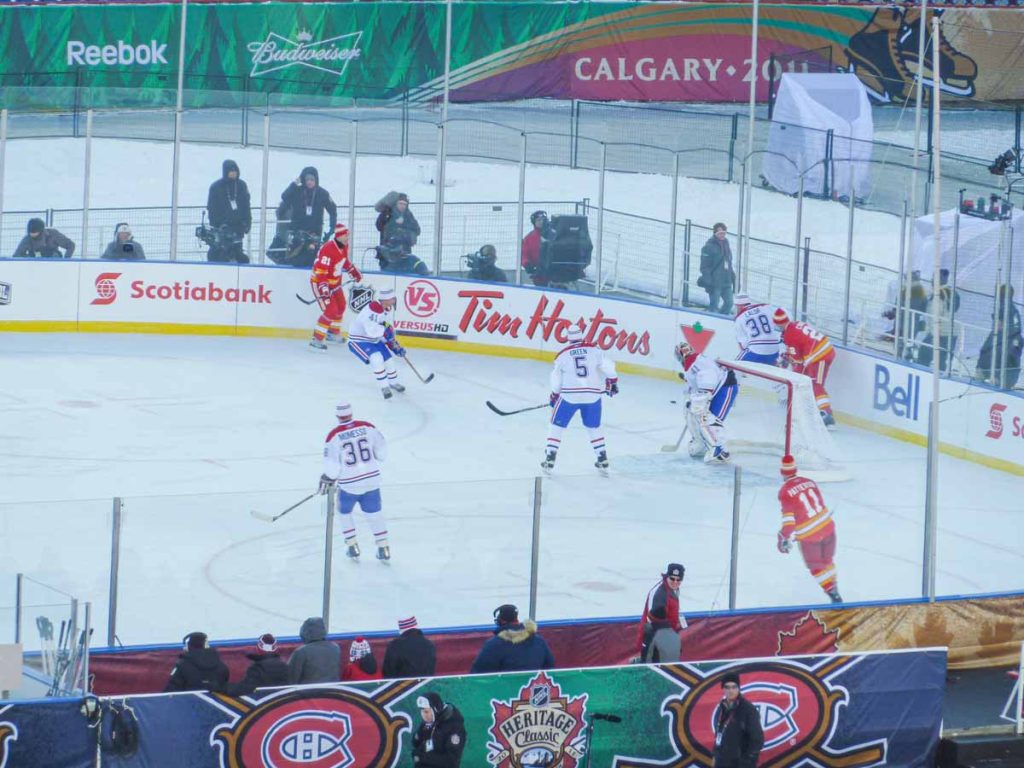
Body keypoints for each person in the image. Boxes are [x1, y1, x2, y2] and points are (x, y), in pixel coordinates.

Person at [541, 323, 618, 476]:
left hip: (570, 396)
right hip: (592, 396)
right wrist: (613, 380)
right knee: (593, 427)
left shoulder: (562, 355)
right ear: (581, 335)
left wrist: (555, 394)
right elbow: (608, 366)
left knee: (556, 425)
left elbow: (556, 379)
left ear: (568, 338)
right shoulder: (594, 350)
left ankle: (550, 456)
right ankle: (602, 457)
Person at [320, 401, 392, 561]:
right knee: (375, 513)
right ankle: (383, 547)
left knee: (343, 512)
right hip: (372, 480)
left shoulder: (334, 436)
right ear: (351, 413)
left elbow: (332, 467)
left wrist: (328, 477)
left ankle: (352, 545)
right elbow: (382, 453)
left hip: (349, 484)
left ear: (337, 416)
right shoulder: (367, 427)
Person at [777, 455, 841, 603]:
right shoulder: (809, 482)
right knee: (828, 561)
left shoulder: (785, 492)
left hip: (810, 537)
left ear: (782, 472)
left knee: (816, 567)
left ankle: (834, 596)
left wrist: (782, 537)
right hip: (829, 528)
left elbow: (789, 523)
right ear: (795, 469)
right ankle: (834, 588)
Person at [675, 340, 739, 463]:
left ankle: (720, 451)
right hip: (716, 389)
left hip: (726, 388)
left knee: (705, 417)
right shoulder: (693, 362)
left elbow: (707, 382)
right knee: (690, 410)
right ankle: (701, 443)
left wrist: (699, 399)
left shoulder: (698, 365)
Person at [773, 309, 836, 427]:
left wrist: (786, 361)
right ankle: (811, 410)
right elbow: (798, 350)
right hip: (819, 352)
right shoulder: (795, 324)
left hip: (820, 355)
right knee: (806, 381)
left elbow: (797, 360)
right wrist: (787, 357)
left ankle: (826, 414)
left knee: (815, 384)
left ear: (779, 323)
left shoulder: (789, 335)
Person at [308, 222, 363, 351]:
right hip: (320, 283)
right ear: (338, 236)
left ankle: (332, 333)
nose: (347, 238)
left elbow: (343, 261)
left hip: (335, 283)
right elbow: (321, 273)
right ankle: (316, 339)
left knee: (341, 306)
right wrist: (324, 290)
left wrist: (352, 271)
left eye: (348, 236)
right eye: (345, 236)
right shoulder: (328, 249)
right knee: (331, 310)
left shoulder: (344, 246)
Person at [347, 286, 407, 400]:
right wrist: (385, 331)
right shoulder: (371, 311)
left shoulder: (385, 310)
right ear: (385, 300)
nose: (394, 300)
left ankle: (393, 382)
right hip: (358, 340)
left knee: (388, 360)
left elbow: (386, 331)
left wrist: (395, 346)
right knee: (376, 358)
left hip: (374, 339)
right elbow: (372, 332)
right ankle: (384, 387)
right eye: (392, 298)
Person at [270, 166, 338, 267]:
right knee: (294, 260)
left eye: (312, 179)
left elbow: (333, 209)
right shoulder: (297, 191)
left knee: (311, 259)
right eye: (307, 179)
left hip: (314, 233)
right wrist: (294, 183)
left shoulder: (322, 193)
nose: (309, 182)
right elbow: (284, 196)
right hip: (297, 232)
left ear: (316, 180)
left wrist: (332, 227)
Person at [469, 604, 555, 674]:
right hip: (530, 692)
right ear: (516, 619)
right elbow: (551, 668)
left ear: (500, 621)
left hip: (503, 693)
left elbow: (477, 675)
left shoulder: (494, 645)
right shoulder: (539, 641)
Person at [712, 671, 764, 768]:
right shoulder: (721, 708)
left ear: (738, 688)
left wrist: (747, 762)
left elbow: (757, 740)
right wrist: (715, 756)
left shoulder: (748, 709)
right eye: (727, 687)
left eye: (734, 687)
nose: (730, 691)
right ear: (723, 688)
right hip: (722, 762)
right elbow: (719, 734)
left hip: (740, 764)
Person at [637, 563, 686, 664]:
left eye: (678, 580)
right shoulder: (659, 593)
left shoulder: (672, 589)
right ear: (667, 576)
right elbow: (652, 621)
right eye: (672, 578)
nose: (675, 582)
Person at [205, 159, 251, 264]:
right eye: (231, 170)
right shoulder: (216, 187)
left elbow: (246, 206)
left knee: (238, 252)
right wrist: (217, 224)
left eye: (235, 170)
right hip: (222, 229)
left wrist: (247, 222)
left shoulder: (242, 186)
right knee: (220, 253)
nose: (233, 173)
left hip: (238, 227)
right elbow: (212, 208)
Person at [977, 284, 1022, 390]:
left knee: (986, 358)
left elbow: (999, 327)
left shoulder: (1003, 307)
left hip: (1003, 343)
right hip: (1015, 343)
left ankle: (986, 379)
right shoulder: (1014, 309)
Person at [916, 271, 960, 373]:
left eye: (935, 278)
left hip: (941, 332)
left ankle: (921, 373)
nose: (932, 280)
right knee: (940, 358)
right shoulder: (952, 293)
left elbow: (938, 313)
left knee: (925, 354)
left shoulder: (939, 294)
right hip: (950, 332)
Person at [412, 692, 467, 767]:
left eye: (426, 711)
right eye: (421, 711)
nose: (423, 715)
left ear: (436, 709)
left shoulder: (454, 727)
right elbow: (416, 742)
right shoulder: (430, 721)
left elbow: (451, 761)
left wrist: (422, 757)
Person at [164, 631, 230, 693]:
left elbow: (171, 691)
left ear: (188, 647)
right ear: (206, 645)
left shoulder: (182, 666)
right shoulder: (221, 666)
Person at [287, 617, 341, 685]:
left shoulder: (301, 652)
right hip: (332, 692)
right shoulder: (335, 648)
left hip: (309, 693)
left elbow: (291, 679)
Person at [732, 293, 781, 364]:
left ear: (738, 306)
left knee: (733, 366)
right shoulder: (766, 307)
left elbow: (743, 345)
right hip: (774, 350)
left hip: (756, 350)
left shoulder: (739, 318)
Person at [698, 222, 735, 315]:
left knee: (729, 303)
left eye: (724, 232)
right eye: (720, 233)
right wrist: (708, 280)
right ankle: (713, 322)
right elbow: (704, 266)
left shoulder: (726, 245)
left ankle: (722, 319)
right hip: (714, 282)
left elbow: (729, 263)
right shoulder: (708, 247)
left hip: (726, 281)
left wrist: (733, 278)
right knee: (714, 305)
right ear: (715, 233)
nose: (722, 235)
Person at [521, 210, 549, 286]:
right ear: (534, 222)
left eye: (543, 220)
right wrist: (527, 264)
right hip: (539, 276)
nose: (541, 222)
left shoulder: (555, 234)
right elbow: (524, 255)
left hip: (555, 275)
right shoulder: (529, 238)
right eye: (538, 220)